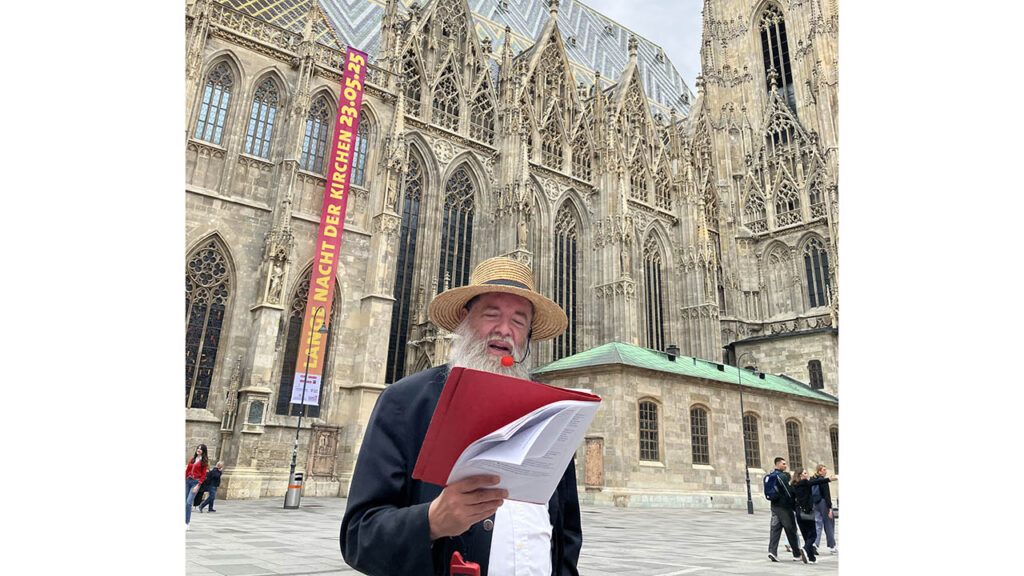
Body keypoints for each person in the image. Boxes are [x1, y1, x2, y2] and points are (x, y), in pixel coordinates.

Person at [340, 256, 580, 576]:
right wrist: (432, 521)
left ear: (528, 335)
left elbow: (566, 532)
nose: (504, 329)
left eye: (519, 321)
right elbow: (359, 537)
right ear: (465, 319)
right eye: (491, 314)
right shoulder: (405, 404)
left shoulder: (551, 411)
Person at [790, 467, 837, 564]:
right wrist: (828, 479)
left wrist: (796, 509)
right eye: (805, 473)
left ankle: (811, 558)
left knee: (806, 536)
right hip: (807, 512)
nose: (806, 474)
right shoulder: (805, 482)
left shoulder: (793, 485)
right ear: (800, 475)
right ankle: (805, 548)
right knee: (813, 535)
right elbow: (816, 482)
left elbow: (791, 501)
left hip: (798, 513)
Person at [766, 457, 804, 563]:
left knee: (775, 529)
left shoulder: (770, 476)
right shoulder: (781, 476)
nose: (785, 465)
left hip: (774, 506)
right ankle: (796, 554)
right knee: (791, 530)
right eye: (783, 464)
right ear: (777, 464)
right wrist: (794, 505)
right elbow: (788, 492)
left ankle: (772, 551)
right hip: (784, 507)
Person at [810, 464, 837, 554]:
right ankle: (832, 546)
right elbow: (826, 495)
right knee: (829, 524)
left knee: (818, 524)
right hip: (823, 503)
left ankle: (815, 544)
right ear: (820, 471)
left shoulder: (812, 479)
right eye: (824, 470)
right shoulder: (823, 480)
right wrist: (829, 508)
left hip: (815, 503)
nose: (825, 471)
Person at [186, 444, 209, 530]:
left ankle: (187, 522)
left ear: (203, 451)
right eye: (198, 448)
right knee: (184, 502)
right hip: (188, 481)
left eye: (200, 449)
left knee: (188, 502)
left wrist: (197, 485)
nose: (198, 450)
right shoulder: (192, 459)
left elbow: (203, 475)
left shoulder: (204, 462)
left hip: (195, 483)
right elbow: (187, 470)